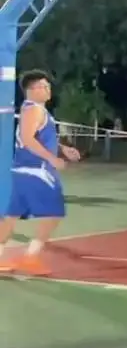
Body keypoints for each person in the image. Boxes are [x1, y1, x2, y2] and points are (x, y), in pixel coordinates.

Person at [0, 70, 82, 275]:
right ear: (31, 90)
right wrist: (52, 158)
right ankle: (30, 257)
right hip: (36, 171)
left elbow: (36, 137)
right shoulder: (34, 110)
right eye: (43, 86)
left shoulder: (32, 110)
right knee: (54, 212)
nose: (48, 90)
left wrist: (62, 149)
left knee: (11, 215)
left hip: (23, 170)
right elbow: (28, 139)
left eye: (48, 86)